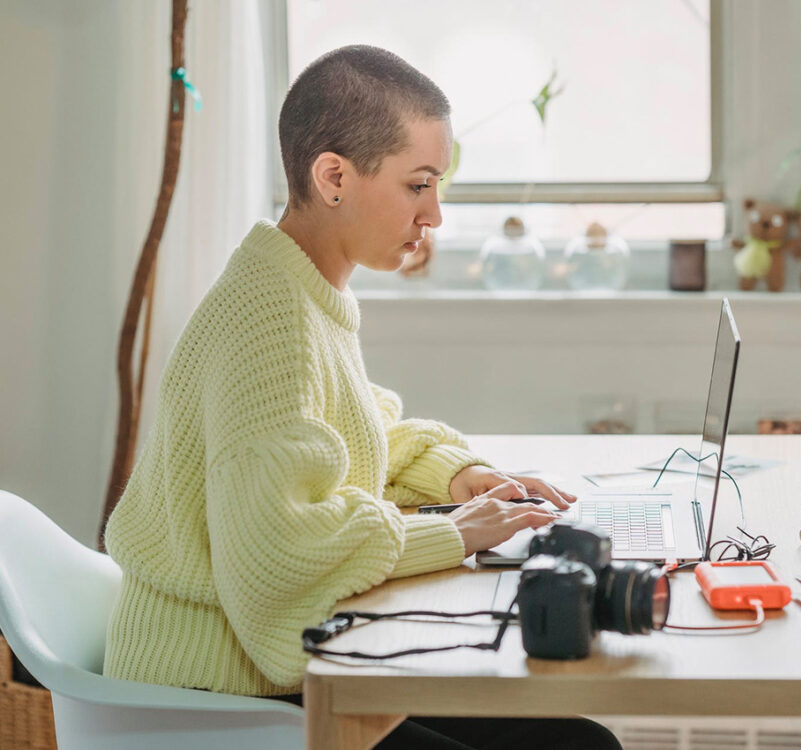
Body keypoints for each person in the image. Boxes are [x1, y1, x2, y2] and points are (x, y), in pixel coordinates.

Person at [103, 45, 621, 750]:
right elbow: (276, 554)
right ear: (334, 176)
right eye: (418, 185)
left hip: (266, 680)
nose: (434, 213)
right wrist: (453, 531)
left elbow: (354, 437)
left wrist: (458, 477)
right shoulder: (269, 318)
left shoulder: (303, 286)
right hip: (213, 700)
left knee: (574, 741)